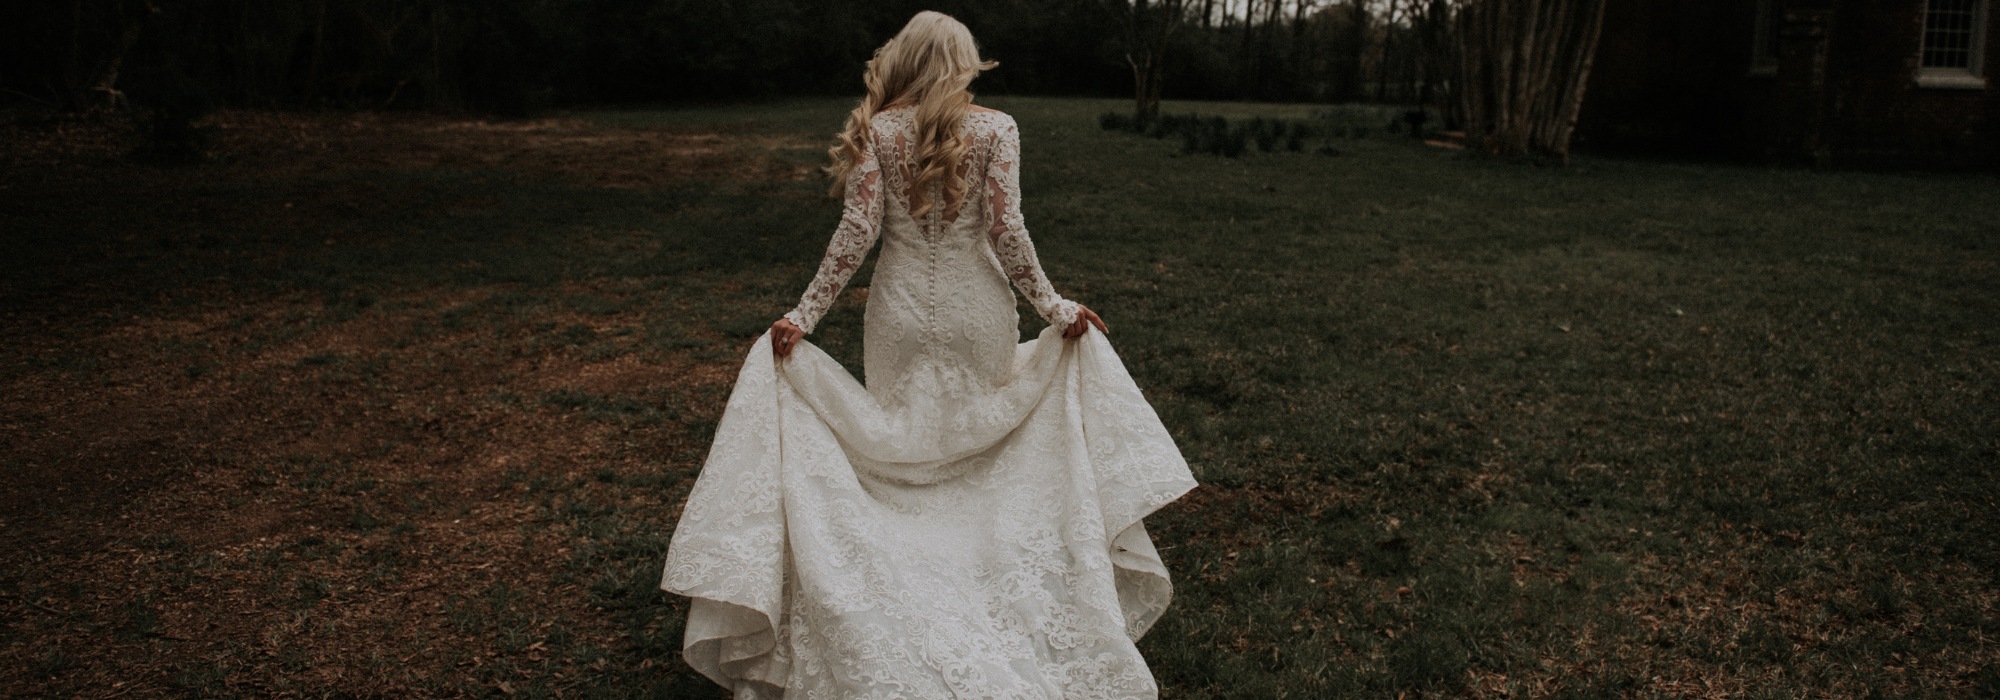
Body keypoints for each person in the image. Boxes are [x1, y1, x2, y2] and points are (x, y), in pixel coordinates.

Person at [661, 11, 1195, 699]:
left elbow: (856, 232)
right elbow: (1007, 230)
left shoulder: (880, 131)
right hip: (978, 312)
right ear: (962, 62)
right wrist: (1054, 307)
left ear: (907, 59)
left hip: (900, 314)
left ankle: (905, 577)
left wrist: (804, 315)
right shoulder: (997, 128)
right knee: (979, 452)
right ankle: (988, 579)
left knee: (904, 455)